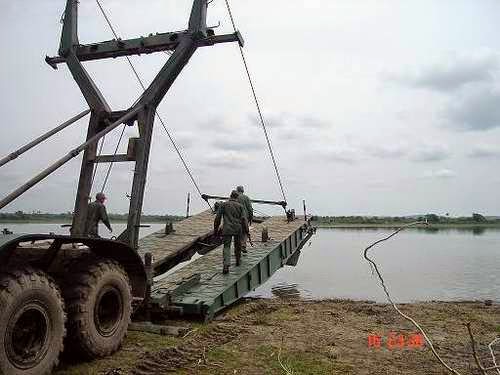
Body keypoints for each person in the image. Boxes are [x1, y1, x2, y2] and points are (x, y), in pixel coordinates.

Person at [214, 190, 247, 274]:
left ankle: (226, 266)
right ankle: (238, 261)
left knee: (226, 247)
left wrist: (215, 229)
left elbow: (217, 218)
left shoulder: (224, 205)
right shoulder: (240, 206)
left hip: (227, 229)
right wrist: (246, 230)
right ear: (237, 197)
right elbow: (244, 219)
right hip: (238, 229)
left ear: (230, 196)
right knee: (238, 245)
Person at [236, 185, 253, 253]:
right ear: (243, 190)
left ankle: (238, 246)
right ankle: (243, 245)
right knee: (245, 232)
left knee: (238, 232)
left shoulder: (235, 198)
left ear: (237, 190)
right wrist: (251, 217)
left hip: (237, 218)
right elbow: (250, 209)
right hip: (245, 218)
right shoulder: (246, 197)